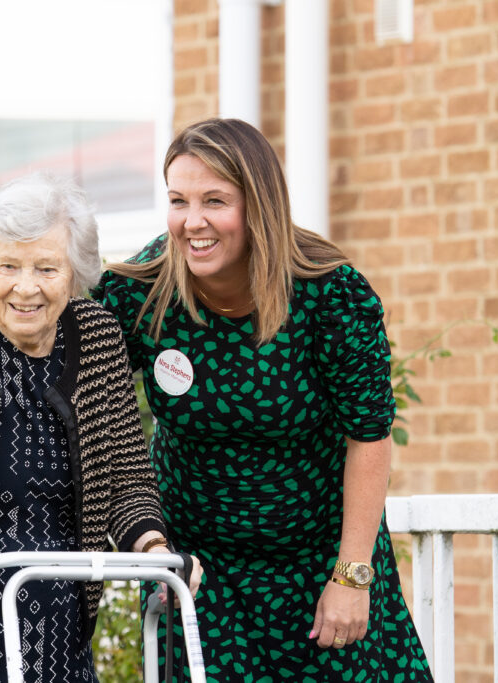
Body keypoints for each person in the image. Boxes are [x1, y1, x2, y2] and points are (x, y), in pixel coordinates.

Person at [94, 118, 432, 681]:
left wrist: (351, 577)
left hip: (320, 564)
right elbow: (84, 404)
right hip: (201, 574)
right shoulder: (140, 291)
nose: (192, 222)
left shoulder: (329, 293)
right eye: (178, 200)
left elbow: (368, 437)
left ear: (258, 206)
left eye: (214, 201)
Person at [0, 172, 202, 683]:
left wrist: (156, 553)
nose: (27, 287)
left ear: (75, 273)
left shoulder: (98, 339)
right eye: (9, 266)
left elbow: (127, 483)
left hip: (61, 632)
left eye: (47, 267)